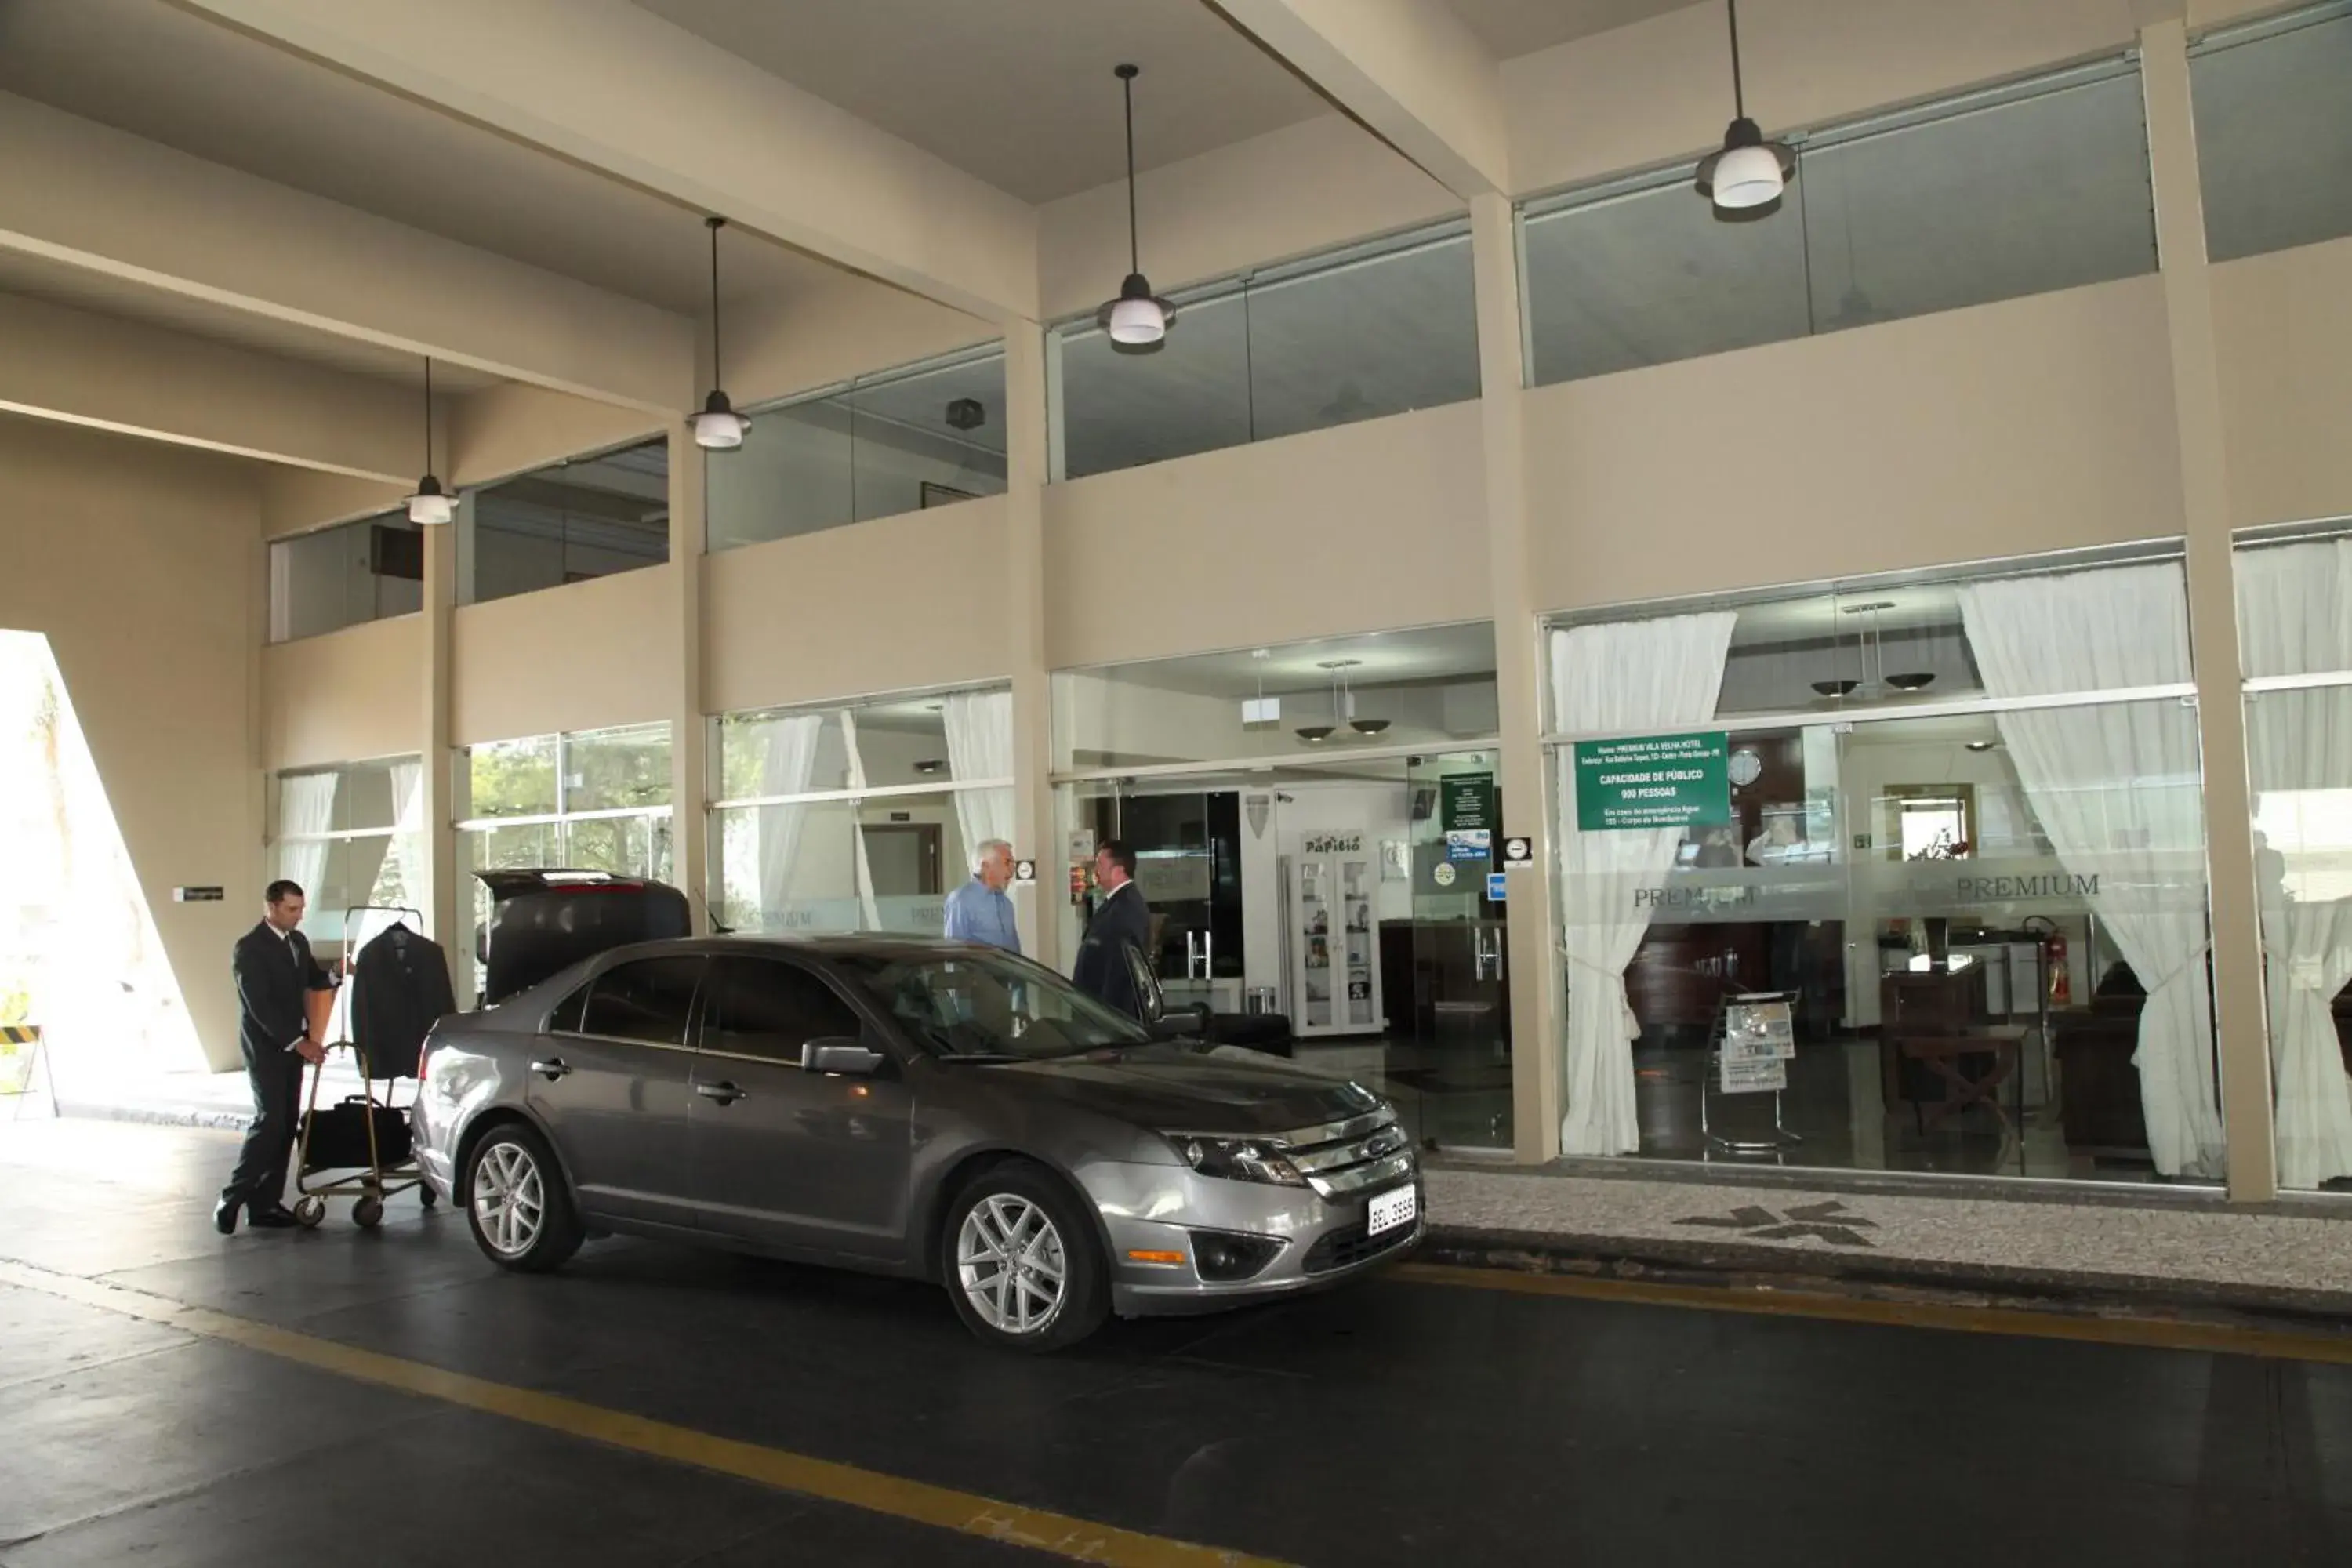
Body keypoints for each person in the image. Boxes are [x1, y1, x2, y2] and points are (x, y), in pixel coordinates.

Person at [216, 880, 337, 1234]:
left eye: (301, 909)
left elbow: (312, 978)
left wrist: (335, 973)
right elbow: (260, 1007)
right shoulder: (249, 948)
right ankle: (232, 1197)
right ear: (271, 906)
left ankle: (265, 1205)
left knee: (286, 1124)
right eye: (291, 909)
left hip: (293, 1045)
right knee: (269, 1121)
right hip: (266, 1047)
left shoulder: (298, 942)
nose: (299, 916)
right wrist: (298, 1043)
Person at [1073, 839, 1151, 1020]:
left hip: (1109, 1015)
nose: (1096, 871)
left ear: (1118, 870)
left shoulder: (1127, 908)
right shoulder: (1116, 903)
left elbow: (1121, 971)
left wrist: (1108, 1017)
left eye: (1100, 864)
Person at [942, 839, 1021, 953]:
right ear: (985, 866)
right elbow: (954, 950)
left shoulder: (1006, 904)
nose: (1013, 869)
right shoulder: (960, 901)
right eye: (1007, 863)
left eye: (1013, 863)